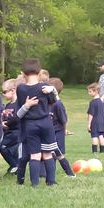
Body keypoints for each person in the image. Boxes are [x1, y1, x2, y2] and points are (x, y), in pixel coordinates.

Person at [15, 59, 59, 187]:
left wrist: (27, 105)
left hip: (30, 125)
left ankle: (35, 183)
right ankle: (51, 182)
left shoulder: (21, 89)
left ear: (23, 74)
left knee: (34, 155)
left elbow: (19, 111)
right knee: (48, 153)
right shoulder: (45, 87)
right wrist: (52, 90)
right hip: (46, 123)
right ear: (40, 72)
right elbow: (54, 101)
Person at [48, 77, 75, 177]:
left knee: (58, 154)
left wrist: (64, 130)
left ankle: (70, 173)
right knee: (49, 154)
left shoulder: (58, 104)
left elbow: (64, 120)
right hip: (48, 133)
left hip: (58, 132)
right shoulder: (46, 103)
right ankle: (49, 173)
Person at [0, 78, 20, 173]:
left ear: (13, 90)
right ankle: (15, 166)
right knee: (10, 151)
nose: (3, 94)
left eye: (4, 92)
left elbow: (17, 117)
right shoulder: (7, 105)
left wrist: (6, 123)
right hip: (8, 132)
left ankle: (14, 165)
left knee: (1, 147)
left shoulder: (19, 104)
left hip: (16, 132)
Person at [87, 82, 104, 154]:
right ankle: (102, 151)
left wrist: (89, 124)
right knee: (101, 135)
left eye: (90, 91)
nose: (89, 93)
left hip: (95, 122)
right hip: (101, 121)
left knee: (94, 135)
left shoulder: (93, 102)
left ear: (96, 91)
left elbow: (91, 114)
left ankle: (94, 151)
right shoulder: (101, 101)